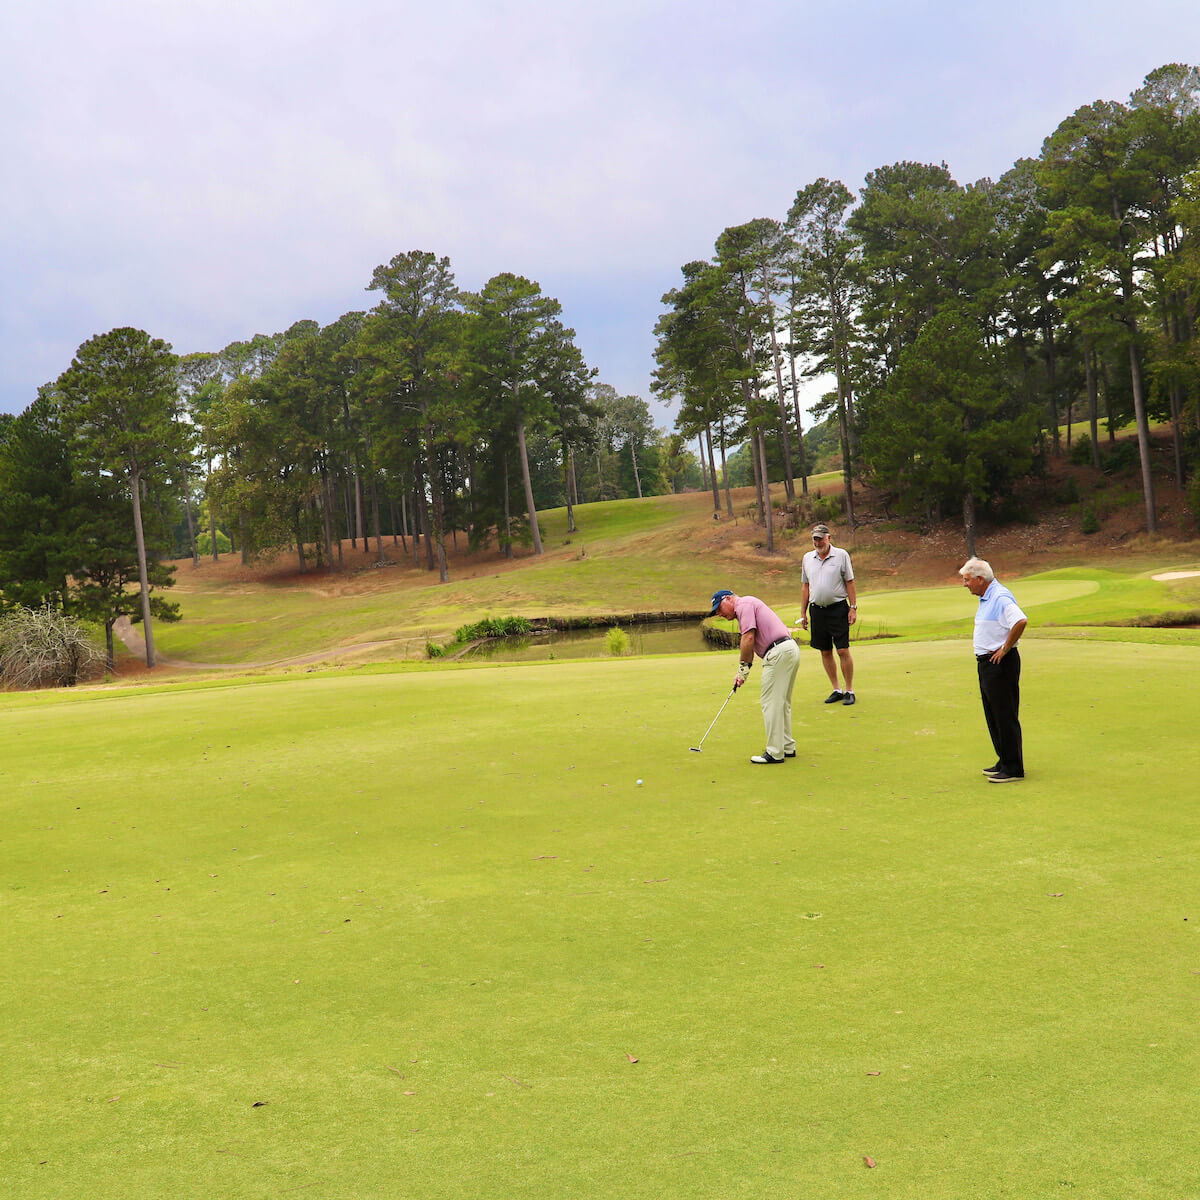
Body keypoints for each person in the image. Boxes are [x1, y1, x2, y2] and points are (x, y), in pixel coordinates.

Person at [708, 589, 801, 765]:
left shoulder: (744, 604)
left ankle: (774, 752)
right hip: (789, 649)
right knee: (782, 702)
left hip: (778, 652)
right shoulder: (747, 605)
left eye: (719, 608)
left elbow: (748, 637)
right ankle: (787, 746)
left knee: (770, 702)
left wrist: (743, 669)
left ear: (728, 599)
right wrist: (745, 669)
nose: (720, 614)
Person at [959, 557, 1027, 783]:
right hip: (987, 664)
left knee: (1004, 714)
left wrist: (1005, 649)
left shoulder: (999, 596)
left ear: (980, 579)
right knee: (993, 714)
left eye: (967, 580)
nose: (964, 584)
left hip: (1000, 664)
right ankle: (1004, 760)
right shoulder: (987, 596)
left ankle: (1014, 768)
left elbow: (1020, 621)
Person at [797, 523, 858, 705]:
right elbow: (805, 586)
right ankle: (836, 689)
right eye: (814, 539)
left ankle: (849, 690)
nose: (817, 542)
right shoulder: (807, 558)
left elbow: (850, 582)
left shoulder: (841, 555)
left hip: (837, 608)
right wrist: (803, 612)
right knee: (825, 651)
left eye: (820, 539)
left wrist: (853, 607)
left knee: (842, 649)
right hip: (816, 610)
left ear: (828, 538)